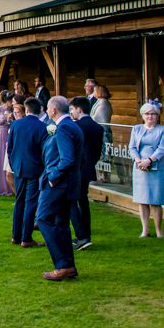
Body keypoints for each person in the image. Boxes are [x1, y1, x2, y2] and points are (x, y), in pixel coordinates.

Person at [36, 96, 83, 281]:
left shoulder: (63, 128)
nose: (47, 111)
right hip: (70, 182)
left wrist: (53, 177)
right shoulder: (73, 126)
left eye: (48, 108)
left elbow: (67, 159)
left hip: (59, 184)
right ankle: (69, 266)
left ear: (53, 110)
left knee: (43, 219)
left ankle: (62, 265)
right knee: (61, 223)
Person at [128, 100, 164, 238]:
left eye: (153, 114)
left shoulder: (163, 130)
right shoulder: (137, 128)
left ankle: (159, 229)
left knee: (156, 200)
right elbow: (132, 147)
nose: (150, 116)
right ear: (142, 115)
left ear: (157, 116)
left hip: (155, 166)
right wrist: (138, 160)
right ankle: (145, 229)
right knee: (143, 199)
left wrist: (149, 160)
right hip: (139, 166)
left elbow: (162, 148)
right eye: (147, 114)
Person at [9, 97, 47, 247]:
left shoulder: (16, 124)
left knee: (19, 201)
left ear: (26, 110)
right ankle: (26, 238)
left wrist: (13, 164)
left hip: (19, 167)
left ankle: (15, 236)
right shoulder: (41, 127)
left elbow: (10, 148)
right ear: (39, 110)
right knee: (30, 203)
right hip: (34, 168)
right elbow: (44, 151)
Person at [69, 96, 104, 251]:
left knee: (72, 201)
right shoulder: (98, 127)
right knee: (83, 200)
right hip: (89, 167)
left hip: (77, 168)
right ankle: (85, 235)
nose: (71, 113)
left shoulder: (76, 126)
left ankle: (82, 236)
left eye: (72, 110)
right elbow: (97, 152)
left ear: (79, 109)